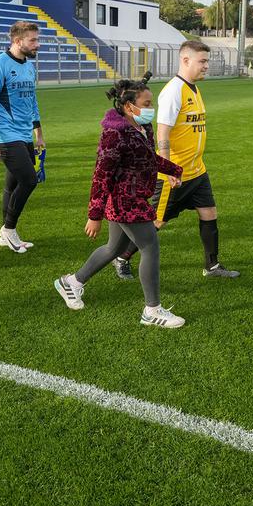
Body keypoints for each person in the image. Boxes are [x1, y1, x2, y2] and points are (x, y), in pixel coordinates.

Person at [53, 73, 186, 327]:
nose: (151, 109)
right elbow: (101, 176)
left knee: (113, 249)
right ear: (128, 106)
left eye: (151, 103)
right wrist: (94, 216)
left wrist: (173, 170)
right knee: (150, 247)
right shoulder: (114, 135)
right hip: (125, 200)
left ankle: (71, 282)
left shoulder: (142, 127)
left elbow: (148, 160)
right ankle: (152, 310)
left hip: (133, 197)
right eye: (146, 104)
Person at [113, 40, 239, 280]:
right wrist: (169, 168)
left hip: (197, 171)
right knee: (156, 222)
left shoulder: (193, 88)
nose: (206, 66)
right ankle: (121, 258)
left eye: (206, 61)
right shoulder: (174, 91)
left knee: (209, 212)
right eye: (202, 61)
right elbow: (162, 132)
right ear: (185, 60)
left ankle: (211, 266)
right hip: (174, 173)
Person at [0, 21, 45, 253]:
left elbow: (32, 100)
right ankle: (9, 230)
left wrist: (38, 132)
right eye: (33, 40)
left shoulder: (28, 65)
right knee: (29, 180)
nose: (38, 44)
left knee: (12, 184)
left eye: (37, 39)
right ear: (18, 41)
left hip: (24, 133)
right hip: (4, 134)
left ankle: (4, 234)